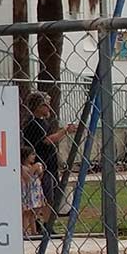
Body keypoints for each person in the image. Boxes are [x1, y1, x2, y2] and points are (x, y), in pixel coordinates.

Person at [22, 91, 77, 219]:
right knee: (46, 197)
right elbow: (46, 140)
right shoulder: (33, 123)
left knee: (51, 194)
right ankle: (45, 223)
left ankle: (46, 222)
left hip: (50, 164)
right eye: (46, 105)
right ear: (38, 106)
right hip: (42, 163)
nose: (49, 108)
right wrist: (64, 131)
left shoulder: (43, 122)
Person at [20, 150, 50, 238]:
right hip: (27, 191)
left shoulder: (33, 166)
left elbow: (40, 177)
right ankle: (25, 231)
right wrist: (34, 168)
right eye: (32, 154)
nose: (34, 157)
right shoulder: (22, 167)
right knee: (26, 213)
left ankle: (34, 231)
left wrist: (40, 170)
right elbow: (27, 178)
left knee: (34, 213)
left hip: (36, 190)